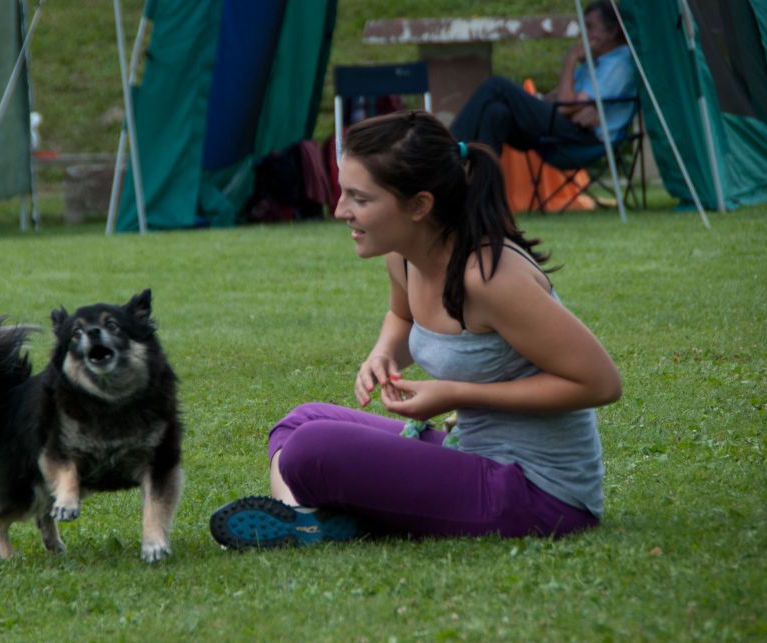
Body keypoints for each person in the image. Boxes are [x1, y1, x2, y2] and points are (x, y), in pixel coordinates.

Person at [209, 111, 622, 550]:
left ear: (420, 205)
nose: (338, 211)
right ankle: (306, 521)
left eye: (359, 198)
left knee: (313, 448)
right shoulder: (404, 254)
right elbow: (403, 319)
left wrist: (456, 393)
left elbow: (599, 383)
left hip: (540, 495)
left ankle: (320, 516)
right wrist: (383, 353)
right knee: (300, 422)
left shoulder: (489, 278)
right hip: (470, 453)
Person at [449, 0, 636, 156]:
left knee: (497, 85)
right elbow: (560, 99)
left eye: (590, 27)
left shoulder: (619, 63)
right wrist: (571, 105)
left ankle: (447, 152)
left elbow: (564, 105)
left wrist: (571, 60)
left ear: (612, 32)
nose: (584, 34)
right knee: (497, 113)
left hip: (584, 137)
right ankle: (478, 189)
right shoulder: (596, 61)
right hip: (568, 126)